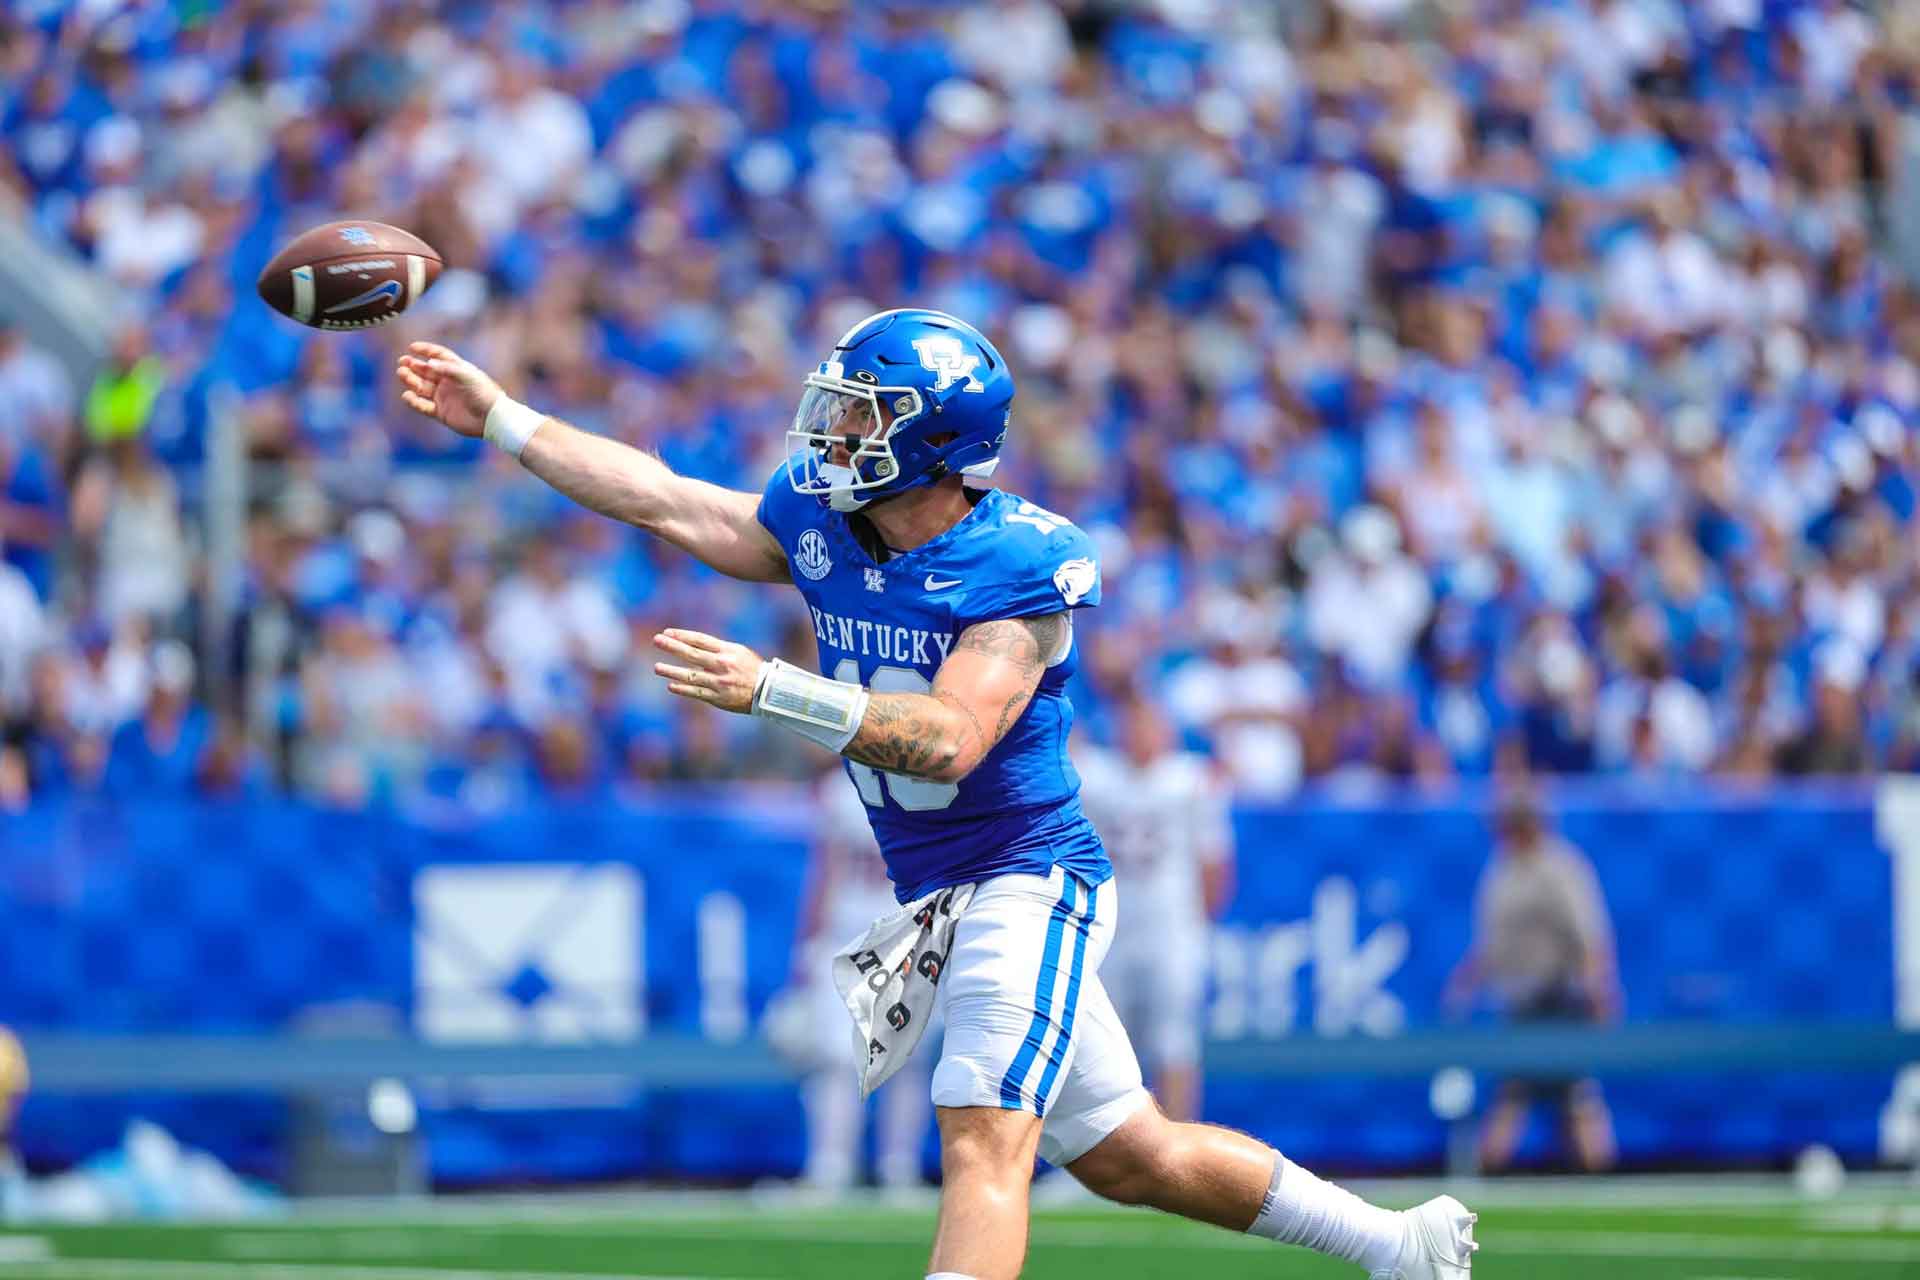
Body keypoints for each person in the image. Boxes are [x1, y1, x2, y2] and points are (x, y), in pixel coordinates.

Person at [395, 308, 1476, 1280]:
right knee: (1133, 1155)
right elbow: (668, 499)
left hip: (1027, 877)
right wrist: (504, 420)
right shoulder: (829, 523)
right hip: (938, 891)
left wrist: (777, 689)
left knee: (979, 1127)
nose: (834, 434)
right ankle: (1399, 1245)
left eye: (864, 418)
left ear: (935, 443)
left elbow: (953, 739)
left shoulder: (1018, 565)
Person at [1445, 787, 1620, 1173]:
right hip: (1520, 1002)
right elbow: (1495, 941)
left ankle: (1601, 1178)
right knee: (1523, 1093)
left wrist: (1600, 989)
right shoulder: (1503, 870)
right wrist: (1468, 981)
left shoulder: (1560, 868)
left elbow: (1589, 935)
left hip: (1559, 1000)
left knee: (1573, 1095)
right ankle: (1491, 1177)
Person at [1075, 697, 1233, 1123]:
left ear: (1168, 733)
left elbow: (1215, 862)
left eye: (1150, 725)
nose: (1141, 736)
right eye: (1133, 724)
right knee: (1103, 1046)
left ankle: (1178, 1146)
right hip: (1112, 930)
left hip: (1172, 931)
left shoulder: (1190, 780)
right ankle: (1106, 1149)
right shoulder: (1098, 775)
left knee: (1175, 1043)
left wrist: (1199, 925)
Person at [776, 770, 933, 1191]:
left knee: (906, 1058)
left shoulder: (928, 783)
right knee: (834, 1057)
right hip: (846, 932)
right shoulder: (838, 791)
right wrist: (808, 940)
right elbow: (825, 871)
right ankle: (830, 1164)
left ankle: (898, 1166)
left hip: (906, 929)